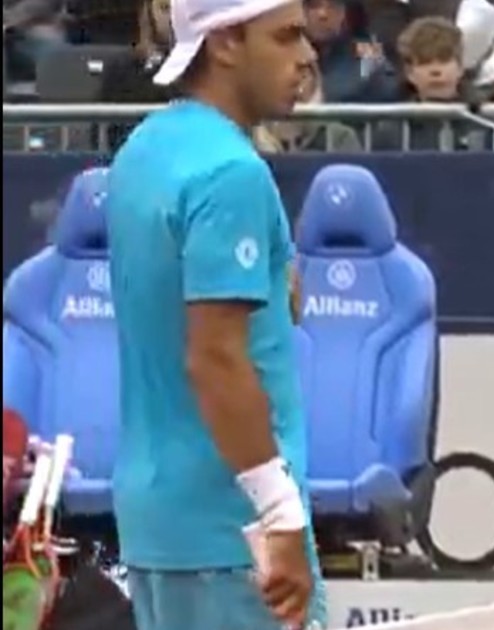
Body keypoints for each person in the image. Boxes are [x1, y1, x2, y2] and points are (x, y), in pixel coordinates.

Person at [104, 0, 322, 628]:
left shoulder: (142, 150)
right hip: (236, 534)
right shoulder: (231, 173)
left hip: (157, 527)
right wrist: (280, 513)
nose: (308, 56)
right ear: (225, 43)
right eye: (286, 36)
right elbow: (216, 359)